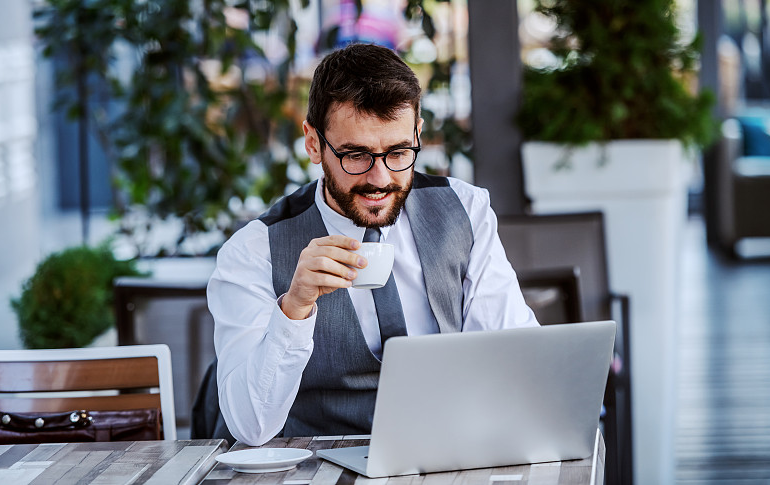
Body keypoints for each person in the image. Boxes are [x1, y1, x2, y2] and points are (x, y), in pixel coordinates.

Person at [207, 43, 538, 446]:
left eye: (398, 152)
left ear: (417, 134)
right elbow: (248, 426)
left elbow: (512, 355)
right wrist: (293, 308)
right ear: (314, 144)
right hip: (314, 467)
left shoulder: (465, 210)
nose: (379, 178)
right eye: (355, 155)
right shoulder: (254, 250)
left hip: (442, 453)